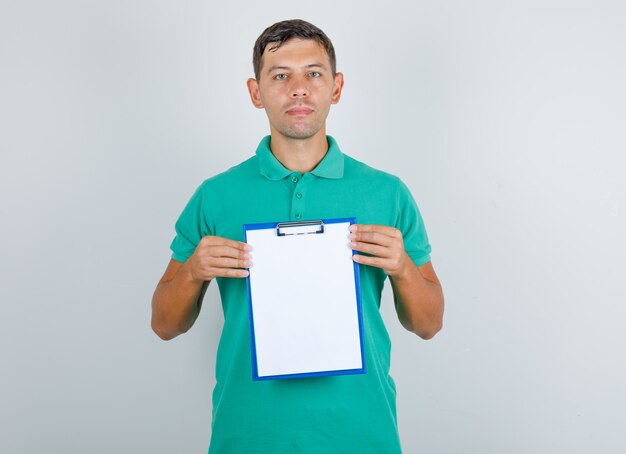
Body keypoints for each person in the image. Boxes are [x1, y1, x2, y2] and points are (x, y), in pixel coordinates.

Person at [151, 18, 444, 453]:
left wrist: (402, 267)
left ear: (336, 87)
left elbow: (428, 324)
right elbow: (164, 324)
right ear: (256, 92)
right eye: (280, 75)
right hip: (247, 435)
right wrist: (193, 271)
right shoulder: (215, 197)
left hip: (362, 434)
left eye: (314, 73)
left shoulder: (387, 194)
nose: (299, 88)